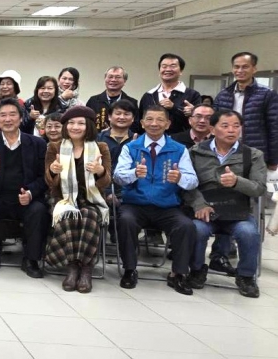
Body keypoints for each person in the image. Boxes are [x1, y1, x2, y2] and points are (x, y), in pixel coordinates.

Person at [113, 104, 199, 295]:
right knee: (125, 221)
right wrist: (134, 173)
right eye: (149, 119)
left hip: (167, 206)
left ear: (168, 124)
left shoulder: (179, 149)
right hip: (135, 204)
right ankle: (129, 269)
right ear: (142, 123)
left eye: (160, 120)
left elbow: (193, 181)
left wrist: (180, 178)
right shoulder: (131, 147)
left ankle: (178, 274)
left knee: (186, 226)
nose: (154, 124)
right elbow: (118, 177)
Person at [185, 109, 267, 298]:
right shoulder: (196, 152)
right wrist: (199, 204)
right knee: (197, 230)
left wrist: (237, 182)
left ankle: (246, 276)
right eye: (225, 126)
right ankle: (196, 270)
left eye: (236, 126)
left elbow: (259, 188)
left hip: (237, 212)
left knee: (249, 232)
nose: (231, 130)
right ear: (212, 129)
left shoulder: (252, 155)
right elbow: (187, 185)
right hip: (205, 210)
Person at [0, 98, 49, 277]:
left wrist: (30, 193)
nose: (7, 119)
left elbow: (44, 177)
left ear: (21, 118)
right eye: (3, 115)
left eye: (12, 114)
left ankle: (31, 259)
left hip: (25, 197)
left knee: (39, 210)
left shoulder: (37, 144)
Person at [44, 106, 112, 293]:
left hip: (91, 199)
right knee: (69, 214)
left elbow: (106, 182)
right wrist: (53, 171)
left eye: (81, 123)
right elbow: (49, 183)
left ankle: (86, 268)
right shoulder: (55, 147)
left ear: (88, 126)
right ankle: (73, 267)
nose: (75, 127)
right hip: (62, 198)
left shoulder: (101, 148)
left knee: (89, 215)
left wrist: (100, 171)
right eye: (71, 123)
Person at [215, 52, 278, 172]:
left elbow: (274, 128)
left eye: (245, 67)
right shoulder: (223, 94)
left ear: (254, 69)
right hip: (226, 153)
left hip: (255, 153)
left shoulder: (267, 94)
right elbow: (214, 123)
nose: (240, 70)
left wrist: (274, 159)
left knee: (254, 184)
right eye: (236, 67)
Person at [139, 53, 201, 136]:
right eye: (164, 66)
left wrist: (175, 108)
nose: (168, 69)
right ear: (159, 71)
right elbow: (140, 121)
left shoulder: (192, 94)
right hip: (153, 140)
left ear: (181, 71)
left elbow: (199, 122)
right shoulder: (149, 95)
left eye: (173, 66)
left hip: (182, 140)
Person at [86, 66, 135, 131]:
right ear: (105, 79)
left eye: (118, 77)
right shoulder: (93, 101)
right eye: (110, 77)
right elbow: (87, 123)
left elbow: (135, 127)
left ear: (124, 81)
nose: (113, 80)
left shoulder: (132, 102)